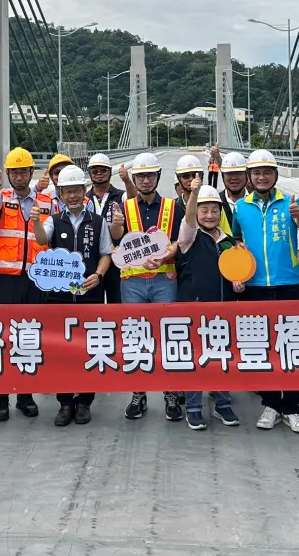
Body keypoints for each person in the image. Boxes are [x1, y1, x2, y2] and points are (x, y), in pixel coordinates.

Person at [232, 148, 299, 432]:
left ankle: (292, 408)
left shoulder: (290, 202)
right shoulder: (241, 207)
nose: (261, 176)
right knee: (261, 348)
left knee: (291, 347)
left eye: (266, 172)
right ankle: (270, 404)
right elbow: (236, 243)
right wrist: (237, 269)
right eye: (256, 172)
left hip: (287, 285)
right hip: (254, 287)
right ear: (249, 177)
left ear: (274, 175)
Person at [33, 165, 115, 426]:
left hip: (90, 296)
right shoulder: (55, 220)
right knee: (62, 352)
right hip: (59, 299)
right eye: (66, 191)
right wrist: (35, 220)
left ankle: (84, 403)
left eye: (76, 190)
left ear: (84, 190)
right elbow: (41, 239)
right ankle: (65, 402)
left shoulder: (98, 221)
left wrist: (99, 275)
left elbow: (105, 254)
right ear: (61, 193)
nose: (72, 196)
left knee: (88, 349)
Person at [119, 152, 184, 422]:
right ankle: (138, 394)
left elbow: (181, 239)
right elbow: (115, 241)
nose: (145, 180)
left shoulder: (173, 207)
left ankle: (170, 394)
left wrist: (169, 254)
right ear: (134, 179)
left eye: (150, 175)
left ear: (158, 177)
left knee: (167, 337)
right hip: (133, 282)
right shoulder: (123, 207)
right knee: (136, 338)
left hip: (164, 280)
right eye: (140, 176)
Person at [0, 147, 47, 422]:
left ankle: (25, 395)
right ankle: (0, 398)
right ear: (9, 175)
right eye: (15, 172)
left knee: (30, 337)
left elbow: (50, 237)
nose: (19, 176)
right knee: (4, 338)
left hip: (35, 280)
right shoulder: (1, 199)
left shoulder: (46, 201)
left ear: (31, 173)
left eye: (24, 171)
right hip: (7, 280)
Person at [176, 178, 242, 430]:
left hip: (222, 311)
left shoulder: (228, 241)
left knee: (221, 355)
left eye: (215, 209)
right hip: (194, 309)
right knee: (195, 357)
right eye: (204, 209)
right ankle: (193, 407)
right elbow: (188, 221)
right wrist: (193, 193)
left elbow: (236, 273)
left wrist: (239, 285)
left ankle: (222, 402)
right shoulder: (189, 237)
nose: (210, 214)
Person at [87, 152, 128, 303]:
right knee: (92, 302)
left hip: (117, 260)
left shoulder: (121, 196)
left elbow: (135, 199)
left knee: (116, 302)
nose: (99, 174)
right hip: (93, 258)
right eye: (95, 171)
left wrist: (127, 181)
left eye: (103, 170)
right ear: (90, 173)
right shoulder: (84, 199)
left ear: (110, 172)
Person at [210, 147, 249, 226]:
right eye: (229, 173)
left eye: (238, 173)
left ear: (246, 175)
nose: (234, 178)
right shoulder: (215, 202)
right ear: (223, 175)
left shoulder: (258, 202)